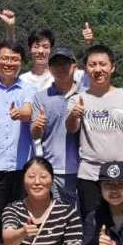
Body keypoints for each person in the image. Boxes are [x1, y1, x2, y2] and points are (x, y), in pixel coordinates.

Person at [67, 45, 123, 219]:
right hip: (90, 175)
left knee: (121, 224)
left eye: (103, 64)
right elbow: (71, 128)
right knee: (92, 224)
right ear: (85, 69)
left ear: (112, 67)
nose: (98, 69)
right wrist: (73, 115)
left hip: (121, 174)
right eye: (92, 65)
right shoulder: (77, 99)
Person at [0, 43, 35, 242]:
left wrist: (20, 114)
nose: (9, 63)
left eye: (14, 59)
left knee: (20, 219)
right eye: (5, 58)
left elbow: (28, 110)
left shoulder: (29, 89)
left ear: (22, 62)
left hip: (21, 166)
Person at [30, 47, 81, 203]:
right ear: (49, 68)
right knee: (56, 215)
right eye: (55, 64)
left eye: (64, 63)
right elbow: (35, 135)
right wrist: (37, 126)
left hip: (83, 171)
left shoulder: (85, 94)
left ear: (74, 66)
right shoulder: (40, 97)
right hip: (52, 170)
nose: (60, 68)